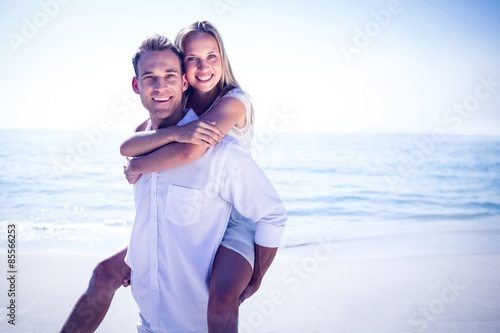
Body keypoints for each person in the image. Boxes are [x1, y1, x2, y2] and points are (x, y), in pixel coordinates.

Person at [60, 22, 284, 333]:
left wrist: (258, 274)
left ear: (182, 83)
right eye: (150, 78)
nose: (160, 87)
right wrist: (155, 148)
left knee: (222, 301)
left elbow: (191, 153)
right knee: (103, 275)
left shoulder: (225, 130)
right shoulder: (154, 136)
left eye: (168, 77)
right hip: (151, 319)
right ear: (137, 86)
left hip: (238, 218)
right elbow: (128, 143)